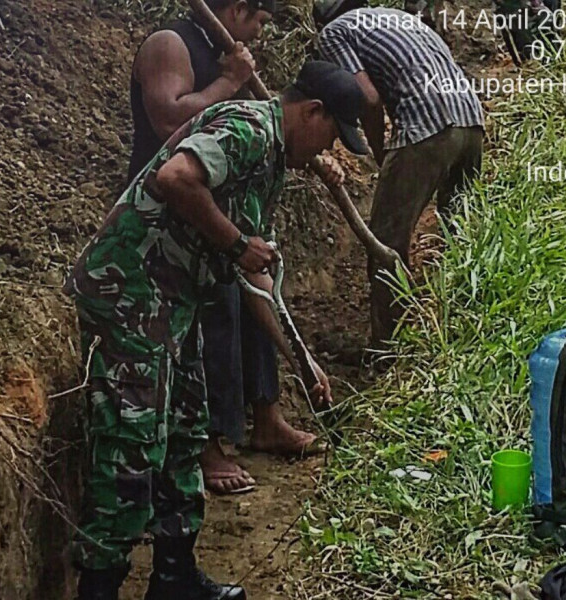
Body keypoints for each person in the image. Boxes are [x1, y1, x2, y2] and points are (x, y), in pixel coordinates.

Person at [65, 60, 368, 600]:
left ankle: (175, 578)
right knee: (131, 444)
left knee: (186, 433)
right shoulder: (248, 129)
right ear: (311, 112)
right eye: (330, 136)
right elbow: (175, 177)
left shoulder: (271, 163)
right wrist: (233, 242)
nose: (325, 151)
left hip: (175, 303)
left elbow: (257, 277)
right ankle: (99, 585)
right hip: (131, 291)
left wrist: (302, 360)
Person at [129, 0, 324, 497]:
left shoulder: (221, 52)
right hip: (171, 214)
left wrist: (301, 356)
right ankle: (209, 442)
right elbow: (167, 122)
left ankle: (266, 415)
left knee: (252, 294)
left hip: (217, 208)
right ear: (237, 9)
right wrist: (229, 83)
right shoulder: (169, 44)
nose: (259, 34)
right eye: (258, 20)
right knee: (213, 316)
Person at [313, 0, 485, 345]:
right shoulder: (397, 19)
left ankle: (390, 348)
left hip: (429, 124)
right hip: (471, 119)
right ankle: (462, 327)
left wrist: (380, 151)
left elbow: (370, 99)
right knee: (461, 234)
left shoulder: (335, 32)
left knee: (384, 240)